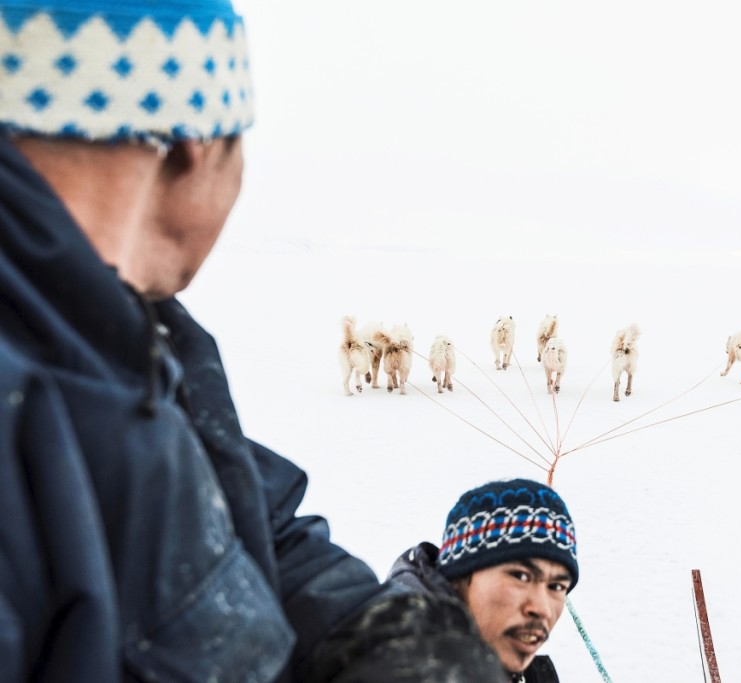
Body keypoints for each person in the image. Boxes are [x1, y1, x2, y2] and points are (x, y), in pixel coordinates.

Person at [0, 1, 503, 681]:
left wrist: (383, 636)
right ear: (193, 147)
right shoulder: (41, 385)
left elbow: (247, 524)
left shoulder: (139, 344)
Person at [388, 478, 580, 683]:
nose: (542, 609)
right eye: (521, 576)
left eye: (556, 586)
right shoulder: (384, 666)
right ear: (458, 578)